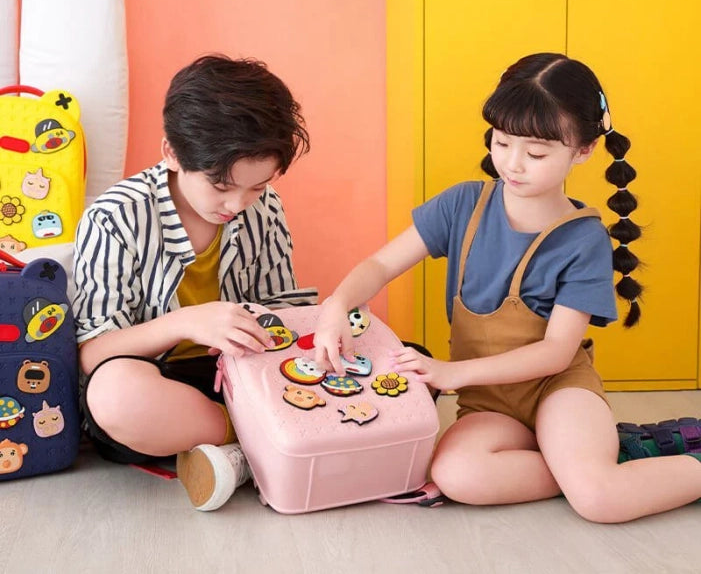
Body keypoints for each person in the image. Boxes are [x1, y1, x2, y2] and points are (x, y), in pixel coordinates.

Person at [313, 53, 701, 522]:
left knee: (600, 500)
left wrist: (451, 374)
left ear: (583, 150)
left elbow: (556, 353)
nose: (513, 164)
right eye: (501, 143)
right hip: (489, 404)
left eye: (536, 154)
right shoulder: (461, 205)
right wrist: (337, 304)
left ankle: (599, 466)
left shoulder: (583, 239)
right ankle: (598, 458)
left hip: (557, 390)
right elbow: (379, 264)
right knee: (456, 475)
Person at [73, 54, 317, 511]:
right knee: (115, 395)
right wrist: (186, 322)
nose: (238, 204)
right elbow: (91, 352)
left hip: (242, 377)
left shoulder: (264, 209)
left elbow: (281, 311)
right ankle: (267, 442)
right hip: (160, 384)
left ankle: (237, 452)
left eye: (257, 187)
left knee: (405, 365)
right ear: (171, 152)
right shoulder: (116, 216)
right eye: (221, 187)